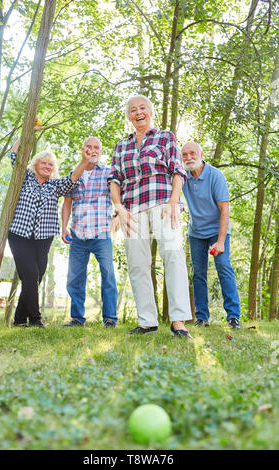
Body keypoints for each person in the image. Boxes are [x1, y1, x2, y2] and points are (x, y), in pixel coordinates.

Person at [108, 95, 192, 337]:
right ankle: (147, 321)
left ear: (151, 112)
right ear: (129, 116)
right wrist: (119, 208)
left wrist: (174, 200)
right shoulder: (121, 146)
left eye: (142, 107)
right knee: (137, 264)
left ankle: (178, 321)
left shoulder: (166, 137)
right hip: (132, 208)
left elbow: (177, 170)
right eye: (133, 110)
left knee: (173, 256)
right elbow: (114, 180)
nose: (138, 112)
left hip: (164, 202)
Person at [8, 122, 94, 328]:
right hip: (19, 235)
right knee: (30, 274)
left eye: (50, 165)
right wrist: (27, 132)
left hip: (43, 237)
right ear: (35, 164)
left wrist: (84, 160)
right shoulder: (25, 178)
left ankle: (19, 319)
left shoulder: (55, 185)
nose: (47, 166)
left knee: (35, 277)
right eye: (43, 163)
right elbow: (15, 155)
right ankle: (36, 319)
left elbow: (73, 178)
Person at [181, 141, 241, 329]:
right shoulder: (182, 177)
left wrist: (221, 241)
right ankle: (202, 318)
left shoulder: (215, 176)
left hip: (217, 231)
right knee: (198, 274)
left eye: (192, 153)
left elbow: (225, 210)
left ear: (201, 154)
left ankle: (233, 317)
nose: (189, 157)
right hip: (196, 232)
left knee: (224, 268)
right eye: (184, 155)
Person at [62, 136, 118, 328]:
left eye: (97, 147)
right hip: (77, 234)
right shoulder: (74, 174)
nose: (93, 150)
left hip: (101, 234)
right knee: (75, 277)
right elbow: (67, 203)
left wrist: (119, 214)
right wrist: (63, 227)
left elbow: (119, 195)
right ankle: (77, 318)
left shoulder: (108, 173)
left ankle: (110, 318)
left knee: (108, 275)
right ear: (83, 149)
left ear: (100, 151)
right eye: (89, 147)